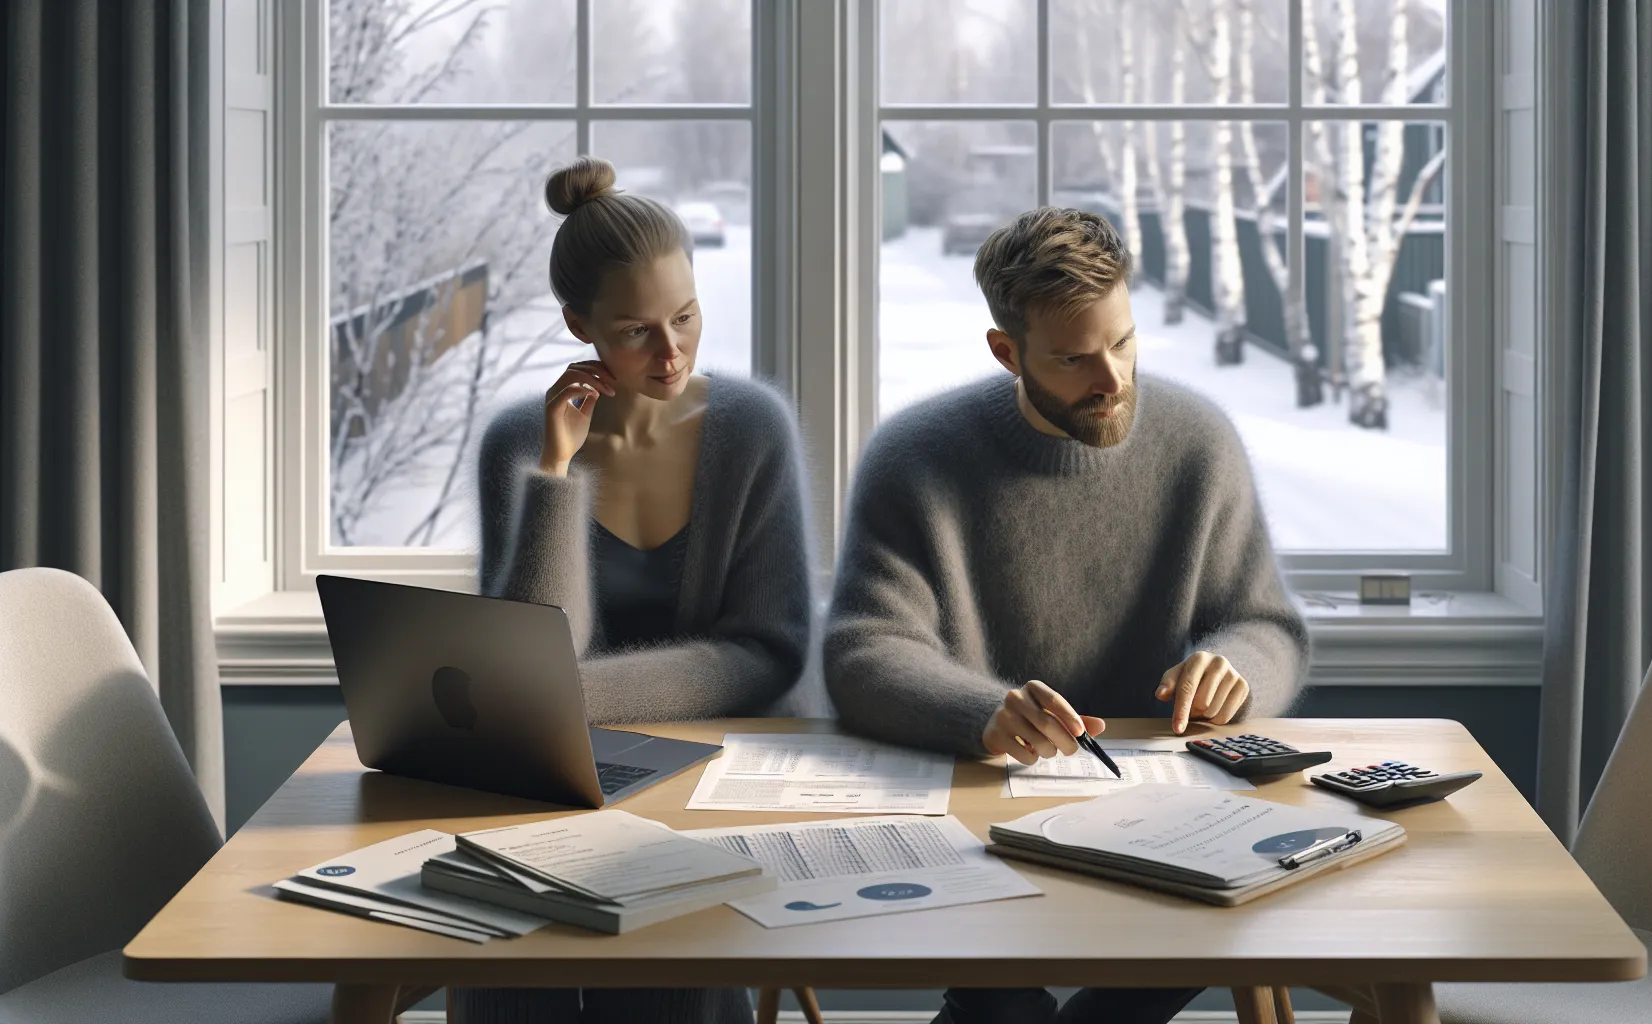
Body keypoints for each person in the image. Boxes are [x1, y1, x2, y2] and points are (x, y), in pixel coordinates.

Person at [825, 206, 1310, 1024]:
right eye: (1076, 358)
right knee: (999, 1002)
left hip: (1167, 817)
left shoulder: (1200, 441)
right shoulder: (916, 457)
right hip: (978, 814)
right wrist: (984, 712)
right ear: (1006, 352)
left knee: (1217, 920)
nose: (1113, 378)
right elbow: (864, 651)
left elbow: (1266, 624)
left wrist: (1238, 668)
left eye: (1122, 342)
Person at [456, 156, 812, 1024]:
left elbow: (769, 649)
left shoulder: (751, 429)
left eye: (685, 316)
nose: (671, 352)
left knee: (668, 971)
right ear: (580, 326)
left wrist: (575, 700)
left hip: (710, 769)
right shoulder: (522, 441)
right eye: (635, 330)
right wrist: (554, 476)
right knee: (508, 954)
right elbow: (531, 646)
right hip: (552, 778)